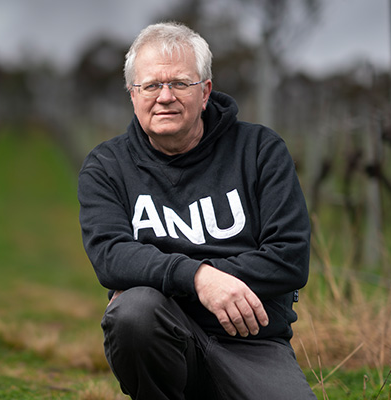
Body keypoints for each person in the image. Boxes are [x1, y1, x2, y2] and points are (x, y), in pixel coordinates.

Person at [77, 21, 315, 399]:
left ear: (204, 92)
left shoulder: (260, 151)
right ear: (133, 94)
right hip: (160, 334)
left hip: (250, 340)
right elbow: (110, 256)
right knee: (134, 313)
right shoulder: (107, 166)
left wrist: (169, 278)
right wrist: (200, 279)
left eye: (180, 83)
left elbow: (289, 259)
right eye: (152, 85)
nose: (165, 96)